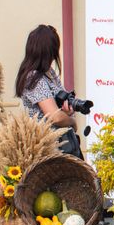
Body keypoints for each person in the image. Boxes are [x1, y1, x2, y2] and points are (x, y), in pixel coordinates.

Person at [15, 25, 82, 158]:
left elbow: (57, 111)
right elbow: (54, 117)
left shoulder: (49, 72)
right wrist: (72, 122)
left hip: (62, 145)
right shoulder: (33, 78)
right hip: (48, 150)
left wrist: (66, 111)